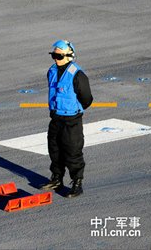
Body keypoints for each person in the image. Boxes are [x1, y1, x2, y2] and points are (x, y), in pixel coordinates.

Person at [41, 40, 93, 198]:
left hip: (71, 120)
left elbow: (87, 98)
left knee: (73, 152)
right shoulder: (52, 71)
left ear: (69, 56)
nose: (55, 59)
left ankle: (77, 183)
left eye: (58, 55)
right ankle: (57, 178)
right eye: (53, 55)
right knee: (54, 150)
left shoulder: (77, 74)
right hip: (56, 117)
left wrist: (74, 109)